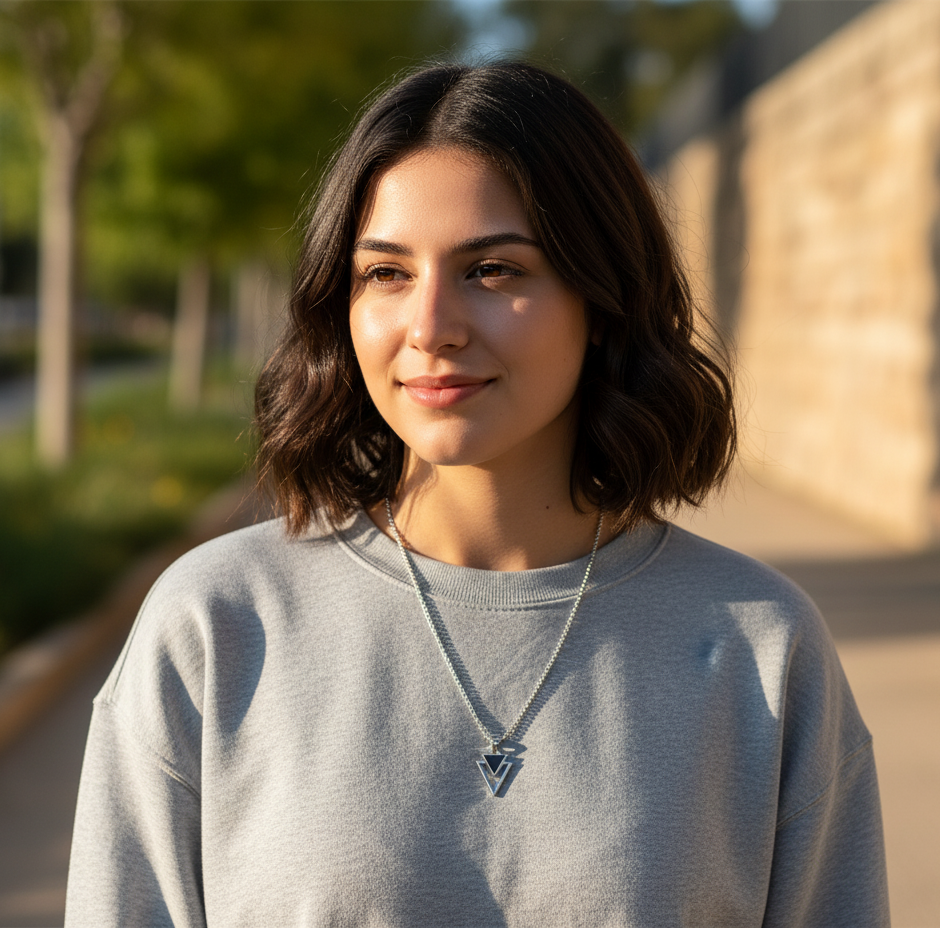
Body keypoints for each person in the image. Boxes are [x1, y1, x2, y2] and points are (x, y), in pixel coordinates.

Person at [65, 62, 889, 928]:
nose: (430, 326)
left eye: (492, 269)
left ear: (601, 297)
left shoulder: (762, 650)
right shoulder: (217, 625)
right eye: (385, 273)